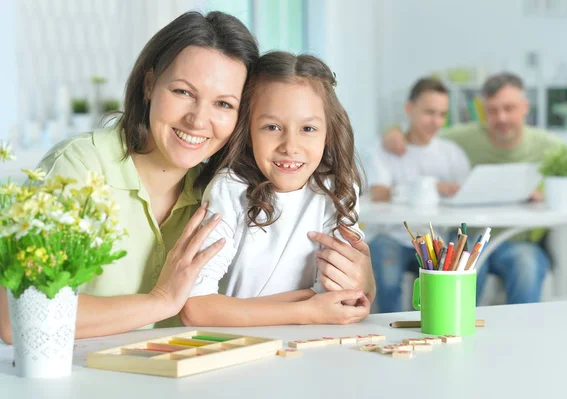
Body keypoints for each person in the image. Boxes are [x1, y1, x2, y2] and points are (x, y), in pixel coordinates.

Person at [0, 11, 375, 344]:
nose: (198, 120)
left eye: (223, 104)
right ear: (149, 85)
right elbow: (14, 321)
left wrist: (362, 278)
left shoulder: (217, 182)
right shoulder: (77, 169)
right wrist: (161, 301)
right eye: (182, 92)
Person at [180, 51, 372, 326]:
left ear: (329, 131)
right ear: (247, 131)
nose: (290, 146)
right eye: (271, 127)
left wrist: (235, 310)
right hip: (237, 349)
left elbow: (344, 300)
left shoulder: (337, 189)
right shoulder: (229, 189)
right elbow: (195, 308)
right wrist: (309, 310)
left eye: (307, 128)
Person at [382, 72, 567, 304]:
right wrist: (393, 131)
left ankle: (522, 337)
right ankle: (456, 332)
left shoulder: (548, 145)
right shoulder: (466, 138)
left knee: (526, 266)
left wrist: (545, 194)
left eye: (509, 108)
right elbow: (423, 133)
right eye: (492, 110)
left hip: (519, 242)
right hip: (471, 241)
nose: (501, 117)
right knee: (465, 267)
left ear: (525, 107)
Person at [367, 77, 471, 312]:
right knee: (386, 263)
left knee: (445, 279)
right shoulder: (384, 149)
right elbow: (379, 192)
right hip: (392, 237)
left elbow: (465, 194)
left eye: (442, 114)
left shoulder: (451, 153)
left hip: (438, 242)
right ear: (409, 109)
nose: (436, 121)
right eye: (429, 112)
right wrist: (432, 186)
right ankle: (388, 327)